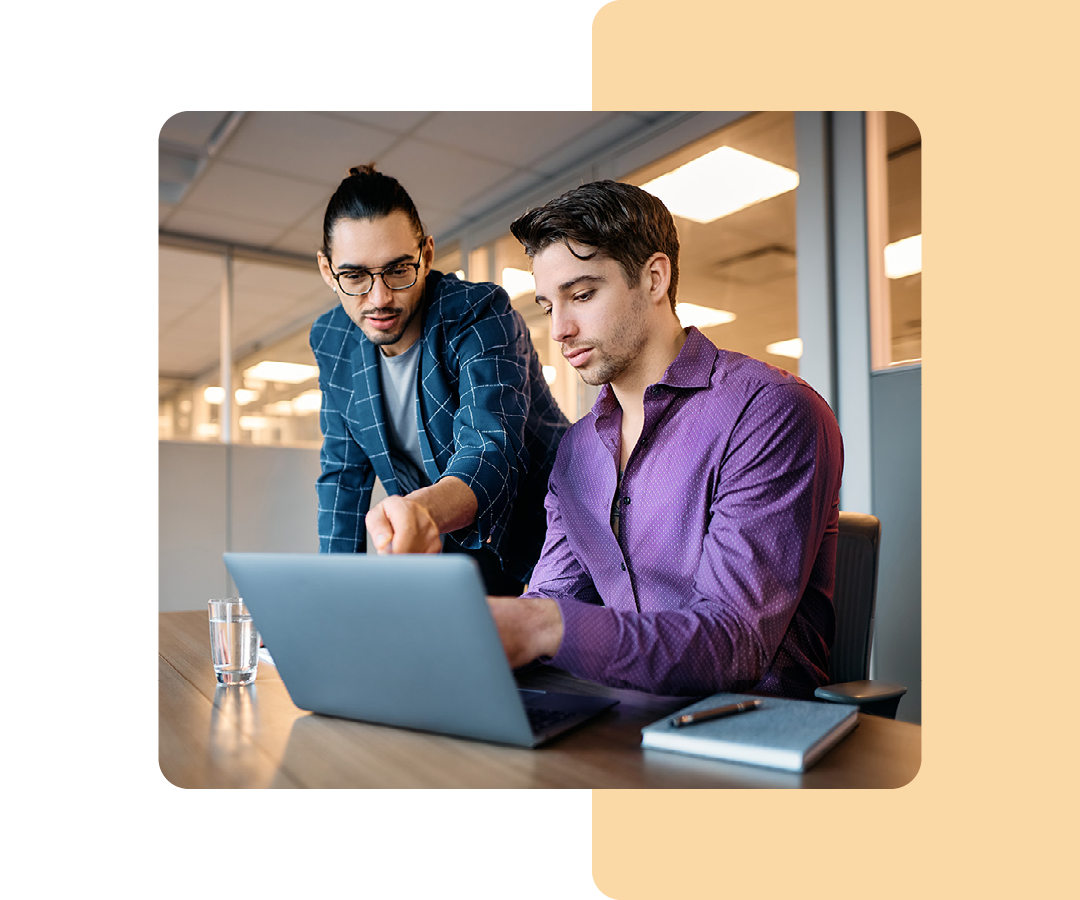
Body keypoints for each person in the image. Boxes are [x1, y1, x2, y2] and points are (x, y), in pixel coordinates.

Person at [487, 180, 844, 699]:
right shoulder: (577, 451)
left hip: (747, 735)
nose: (559, 328)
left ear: (654, 278)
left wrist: (544, 626)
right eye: (547, 306)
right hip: (622, 717)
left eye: (582, 295)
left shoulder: (769, 411)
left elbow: (734, 642)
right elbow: (555, 593)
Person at [310, 165, 569, 594]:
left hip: (537, 537)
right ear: (327, 269)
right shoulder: (332, 339)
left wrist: (418, 513)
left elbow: (491, 449)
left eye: (398, 270)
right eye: (354, 276)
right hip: (442, 544)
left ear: (427, 254)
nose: (379, 298)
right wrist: (333, 595)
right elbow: (343, 475)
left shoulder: (479, 313)